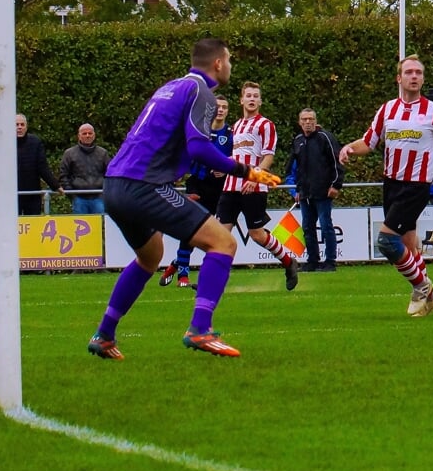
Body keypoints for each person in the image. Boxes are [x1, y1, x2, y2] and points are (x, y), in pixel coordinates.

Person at [88, 38, 282, 359]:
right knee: (224, 243)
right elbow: (199, 148)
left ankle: (105, 334)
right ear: (218, 63)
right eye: (229, 60)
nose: (231, 66)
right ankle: (199, 329)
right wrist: (246, 171)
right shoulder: (202, 93)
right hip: (144, 186)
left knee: (150, 257)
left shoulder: (170, 87)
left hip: (114, 185)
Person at [340, 56, 433, 318]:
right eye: (409, 72)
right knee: (408, 243)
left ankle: (422, 286)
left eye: (418, 72)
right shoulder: (387, 110)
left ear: (422, 78)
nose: (414, 76)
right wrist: (349, 148)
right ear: (399, 78)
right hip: (391, 183)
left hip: (416, 185)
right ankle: (430, 298)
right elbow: (369, 142)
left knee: (386, 241)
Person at [212, 82, 300, 290]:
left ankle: (289, 262)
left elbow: (268, 156)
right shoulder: (236, 126)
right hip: (231, 185)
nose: (252, 99)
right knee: (220, 234)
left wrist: (253, 178)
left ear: (260, 101)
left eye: (255, 96)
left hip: (254, 186)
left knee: (256, 234)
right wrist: (225, 168)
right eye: (248, 95)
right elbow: (237, 155)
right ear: (241, 100)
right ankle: (214, 280)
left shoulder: (265, 125)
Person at [164, 96, 230, 288]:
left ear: (227, 111)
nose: (220, 110)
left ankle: (177, 263)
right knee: (191, 229)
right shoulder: (199, 131)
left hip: (220, 188)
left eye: (224, 107)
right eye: (217, 106)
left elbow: (235, 158)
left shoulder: (232, 134)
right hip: (198, 185)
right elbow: (187, 155)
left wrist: (225, 169)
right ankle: (183, 275)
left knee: (212, 234)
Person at [289, 108, 343, 272]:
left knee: (326, 225)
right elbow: (296, 168)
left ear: (315, 120)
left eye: (310, 119)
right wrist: (297, 189)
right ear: (299, 122)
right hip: (305, 193)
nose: (307, 122)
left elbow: (337, 162)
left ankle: (330, 261)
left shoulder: (325, 138)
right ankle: (312, 260)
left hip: (323, 191)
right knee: (307, 227)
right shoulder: (298, 140)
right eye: (304, 119)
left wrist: (336, 185)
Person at [14, 114, 61, 216]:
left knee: (33, 225)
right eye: (16, 125)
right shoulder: (3, 143)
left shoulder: (35, 142)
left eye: (22, 124)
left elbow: (42, 167)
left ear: (26, 127)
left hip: (32, 194)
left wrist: (55, 186)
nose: (19, 127)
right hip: (11, 195)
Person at [59, 124, 111, 215]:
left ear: (94, 135)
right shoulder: (69, 154)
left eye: (90, 133)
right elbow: (63, 175)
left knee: (100, 227)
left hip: (99, 197)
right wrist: (72, 195)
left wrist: (105, 193)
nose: (87, 135)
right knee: (80, 227)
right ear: (79, 136)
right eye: (84, 133)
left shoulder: (103, 153)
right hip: (79, 199)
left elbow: (110, 174)